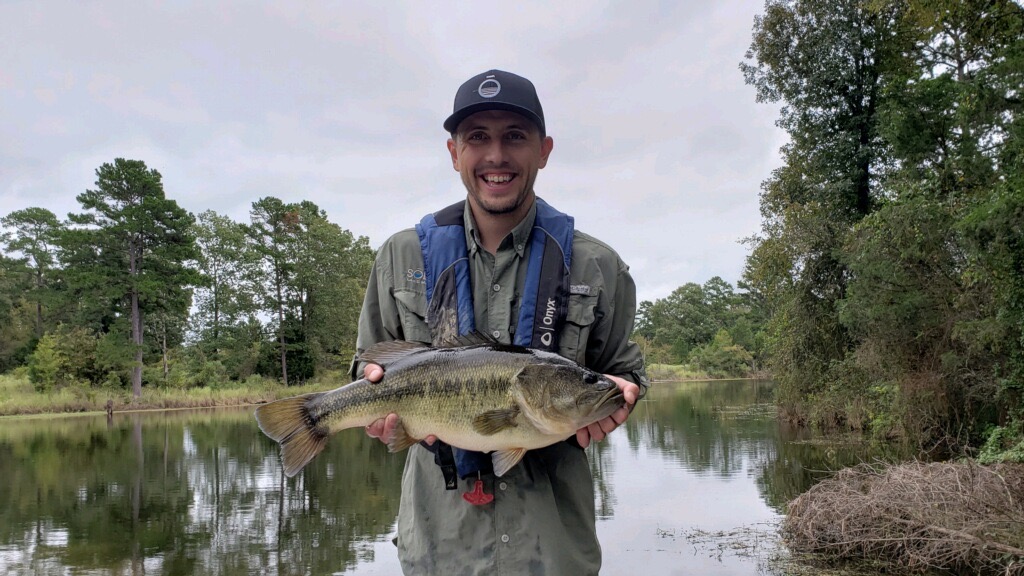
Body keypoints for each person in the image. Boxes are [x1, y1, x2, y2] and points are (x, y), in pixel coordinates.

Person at [350, 69, 648, 575]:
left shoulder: (600, 266)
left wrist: (626, 394)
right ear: (453, 153)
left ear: (544, 149)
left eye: (514, 136)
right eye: (477, 138)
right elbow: (366, 368)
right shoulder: (400, 257)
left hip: (554, 550)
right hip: (441, 547)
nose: (495, 156)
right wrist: (371, 398)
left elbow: (624, 374)